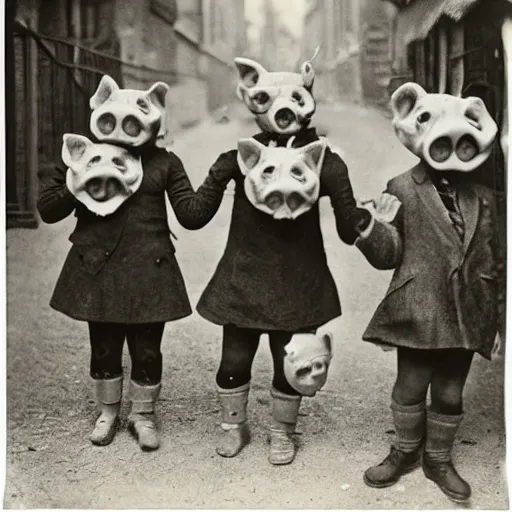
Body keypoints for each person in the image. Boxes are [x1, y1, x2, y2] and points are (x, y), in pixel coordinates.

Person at [196, 56, 387, 465]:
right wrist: (171, 175)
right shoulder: (239, 158)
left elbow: (346, 228)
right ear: (254, 102)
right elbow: (195, 214)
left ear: (307, 101)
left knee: (293, 363)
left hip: (298, 279)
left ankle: (282, 431)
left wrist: (376, 221)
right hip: (243, 276)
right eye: (270, 101)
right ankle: (235, 426)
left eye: (294, 100)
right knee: (233, 362)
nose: (282, 112)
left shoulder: (325, 161)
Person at [37, 76, 234, 451]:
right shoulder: (86, 155)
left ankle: (143, 415)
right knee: (105, 345)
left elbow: (191, 214)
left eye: (134, 123)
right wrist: (76, 181)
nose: (124, 132)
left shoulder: (163, 162)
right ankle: (108, 412)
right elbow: (48, 210)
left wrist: (219, 176)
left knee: (147, 349)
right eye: (114, 122)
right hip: (99, 266)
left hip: (150, 268)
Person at [356, 83, 505, 503]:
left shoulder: (485, 197)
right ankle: (404, 450)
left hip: (465, 311)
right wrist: (372, 230)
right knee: (410, 384)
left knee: (450, 391)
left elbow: (494, 261)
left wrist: (495, 319)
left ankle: (438, 459)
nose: (450, 155)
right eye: (441, 147)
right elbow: (390, 255)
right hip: (419, 308)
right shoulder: (402, 186)